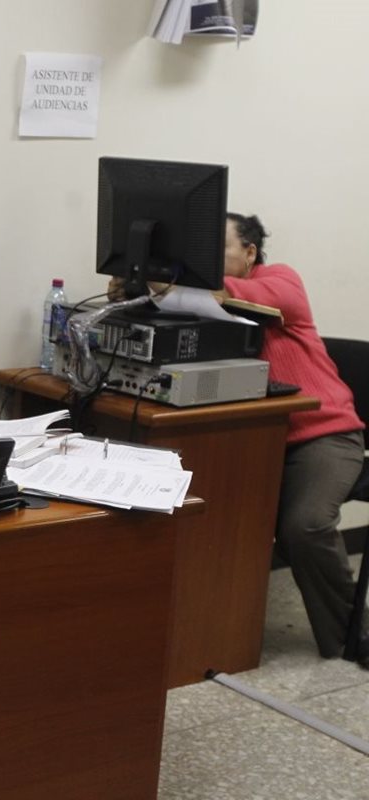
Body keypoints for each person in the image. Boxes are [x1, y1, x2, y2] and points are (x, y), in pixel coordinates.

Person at [216, 213, 365, 664]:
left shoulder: (280, 280)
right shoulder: (207, 301)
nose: (208, 258)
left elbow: (260, 296)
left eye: (219, 247)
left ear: (250, 253)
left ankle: (353, 634)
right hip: (261, 443)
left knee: (305, 525)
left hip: (326, 434)